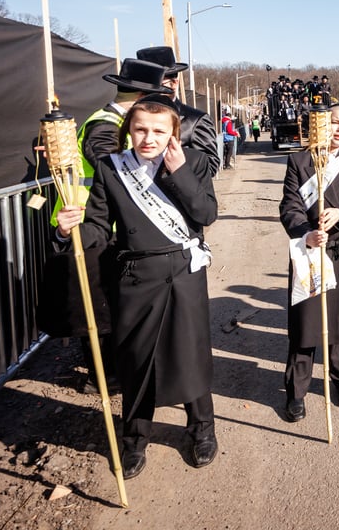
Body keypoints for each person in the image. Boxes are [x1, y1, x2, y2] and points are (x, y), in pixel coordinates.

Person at [54, 94, 219, 479]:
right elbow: (97, 224)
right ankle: (134, 439)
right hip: (134, 277)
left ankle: (202, 430)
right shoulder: (112, 168)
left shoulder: (193, 162)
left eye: (159, 131)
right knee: (137, 361)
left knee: (190, 356)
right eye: (141, 128)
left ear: (173, 133)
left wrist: (179, 173)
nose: (149, 138)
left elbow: (205, 213)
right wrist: (69, 229)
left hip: (183, 273)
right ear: (129, 129)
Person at [39, 57, 173, 394]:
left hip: (108, 225)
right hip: (87, 223)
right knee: (97, 307)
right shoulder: (104, 126)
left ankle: (116, 369)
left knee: (111, 304)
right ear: (141, 99)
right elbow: (113, 172)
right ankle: (108, 375)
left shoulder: (114, 121)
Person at [279, 104, 339, 419]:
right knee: (306, 324)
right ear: (321, 124)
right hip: (309, 251)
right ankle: (296, 390)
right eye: (335, 122)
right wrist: (305, 233)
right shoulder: (299, 160)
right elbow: (289, 206)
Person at [135, 46, 220, 175]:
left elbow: (210, 166)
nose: (151, 93)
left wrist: (174, 166)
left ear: (174, 83)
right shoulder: (132, 117)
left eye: (157, 87)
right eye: (145, 88)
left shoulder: (195, 120)